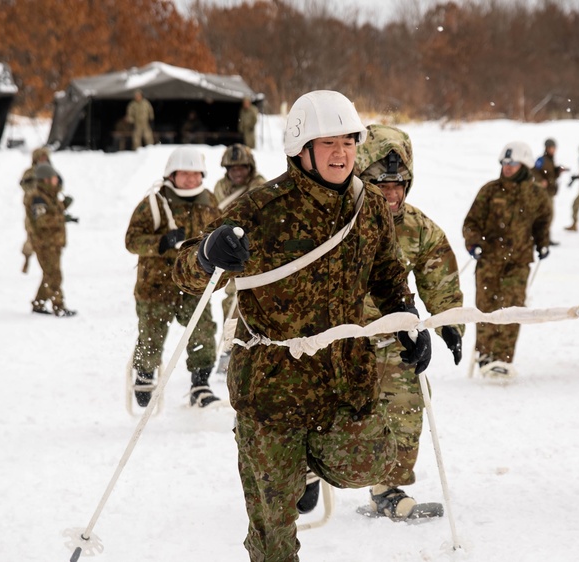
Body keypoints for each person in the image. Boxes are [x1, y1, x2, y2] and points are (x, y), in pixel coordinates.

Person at [171, 90, 431, 561]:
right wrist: (208, 254)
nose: (341, 154)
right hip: (272, 394)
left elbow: (387, 273)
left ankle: (309, 466)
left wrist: (407, 318)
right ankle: (289, 483)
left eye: (349, 143)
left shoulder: (368, 205)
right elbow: (187, 271)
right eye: (328, 143)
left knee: (372, 462)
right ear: (300, 149)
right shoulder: (261, 210)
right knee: (274, 530)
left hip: (344, 384)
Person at [355, 123, 464, 519]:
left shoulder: (419, 229)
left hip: (394, 340)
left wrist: (450, 323)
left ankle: (386, 488)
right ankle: (302, 476)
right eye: (381, 184)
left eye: (399, 184)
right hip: (336, 340)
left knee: (408, 405)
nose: (392, 193)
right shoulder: (337, 224)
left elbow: (440, 276)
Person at [124, 147, 221, 408]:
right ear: (171, 175)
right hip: (155, 286)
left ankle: (200, 383)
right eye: (184, 174)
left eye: (196, 174)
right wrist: (162, 242)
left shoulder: (210, 201)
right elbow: (131, 240)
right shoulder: (154, 204)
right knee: (151, 335)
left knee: (202, 333)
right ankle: (145, 373)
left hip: (193, 283)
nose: (191, 180)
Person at [463, 140, 552, 377]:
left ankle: (503, 358)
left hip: (519, 263)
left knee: (512, 309)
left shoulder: (537, 195)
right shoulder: (490, 191)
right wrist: (474, 243)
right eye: (504, 163)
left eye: (512, 163)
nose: (507, 167)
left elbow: (543, 222)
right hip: (489, 261)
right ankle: (485, 355)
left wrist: (543, 243)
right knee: (487, 309)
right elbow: (471, 221)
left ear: (523, 165)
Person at [212, 143, 269, 376]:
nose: (237, 172)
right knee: (231, 301)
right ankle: (229, 347)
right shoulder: (220, 187)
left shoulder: (259, 185)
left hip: (255, 249)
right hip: (229, 250)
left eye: (242, 168)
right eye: (232, 168)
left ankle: (244, 349)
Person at [24, 163, 76, 317]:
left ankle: (38, 304)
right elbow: (41, 220)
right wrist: (61, 217)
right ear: (45, 180)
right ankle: (58, 306)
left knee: (49, 274)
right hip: (44, 243)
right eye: (53, 178)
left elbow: (52, 212)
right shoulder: (37, 197)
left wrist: (63, 205)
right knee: (54, 275)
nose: (56, 181)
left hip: (53, 243)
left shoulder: (50, 195)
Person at [19, 148, 61, 274]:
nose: (43, 160)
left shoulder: (51, 172)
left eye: (45, 157)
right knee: (33, 235)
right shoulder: (30, 172)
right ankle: (27, 256)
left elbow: (58, 185)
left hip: (48, 209)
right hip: (33, 210)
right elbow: (25, 185)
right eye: (41, 157)